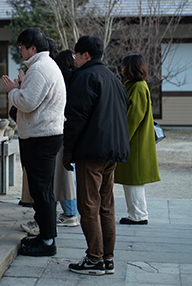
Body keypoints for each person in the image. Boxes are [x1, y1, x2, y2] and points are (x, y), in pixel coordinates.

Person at [62, 35, 130, 275]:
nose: (75, 60)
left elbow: (75, 117)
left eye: (77, 56)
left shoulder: (85, 77)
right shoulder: (113, 78)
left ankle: (94, 259)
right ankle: (107, 258)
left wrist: (67, 150)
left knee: (88, 206)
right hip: (113, 151)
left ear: (85, 55)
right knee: (106, 205)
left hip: (91, 151)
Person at [2, 28, 66, 257]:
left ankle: (48, 242)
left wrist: (13, 92)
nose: (19, 50)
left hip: (42, 137)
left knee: (42, 191)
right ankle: (44, 236)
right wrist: (20, 89)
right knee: (41, 190)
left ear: (33, 48)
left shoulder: (40, 69)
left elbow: (27, 103)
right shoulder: (42, 67)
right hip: (42, 135)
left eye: (22, 46)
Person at [114, 53, 161, 225]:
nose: (122, 68)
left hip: (135, 142)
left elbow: (133, 117)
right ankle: (136, 214)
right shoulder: (137, 86)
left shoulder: (138, 87)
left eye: (124, 65)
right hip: (135, 141)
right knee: (133, 179)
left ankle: (138, 215)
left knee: (134, 179)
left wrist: (122, 138)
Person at [53, 50, 79, 227]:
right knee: (72, 173)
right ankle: (71, 210)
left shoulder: (59, 77)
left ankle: (70, 213)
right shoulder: (78, 77)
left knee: (64, 173)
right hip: (75, 130)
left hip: (60, 128)